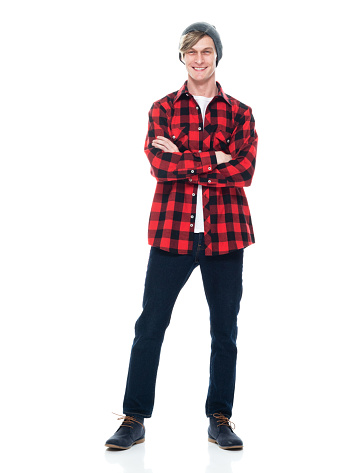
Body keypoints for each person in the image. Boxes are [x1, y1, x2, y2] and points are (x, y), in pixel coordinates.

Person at [105, 21, 258, 451]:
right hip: (172, 232)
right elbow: (159, 165)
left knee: (224, 331)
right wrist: (216, 156)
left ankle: (220, 418)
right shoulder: (163, 108)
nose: (198, 58)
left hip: (225, 234)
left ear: (217, 56)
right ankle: (133, 418)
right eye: (191, 51)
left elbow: (244, 170)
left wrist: (187, 157)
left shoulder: (241, 112)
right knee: (150, 325)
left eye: (206, 51)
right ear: (182, 57)